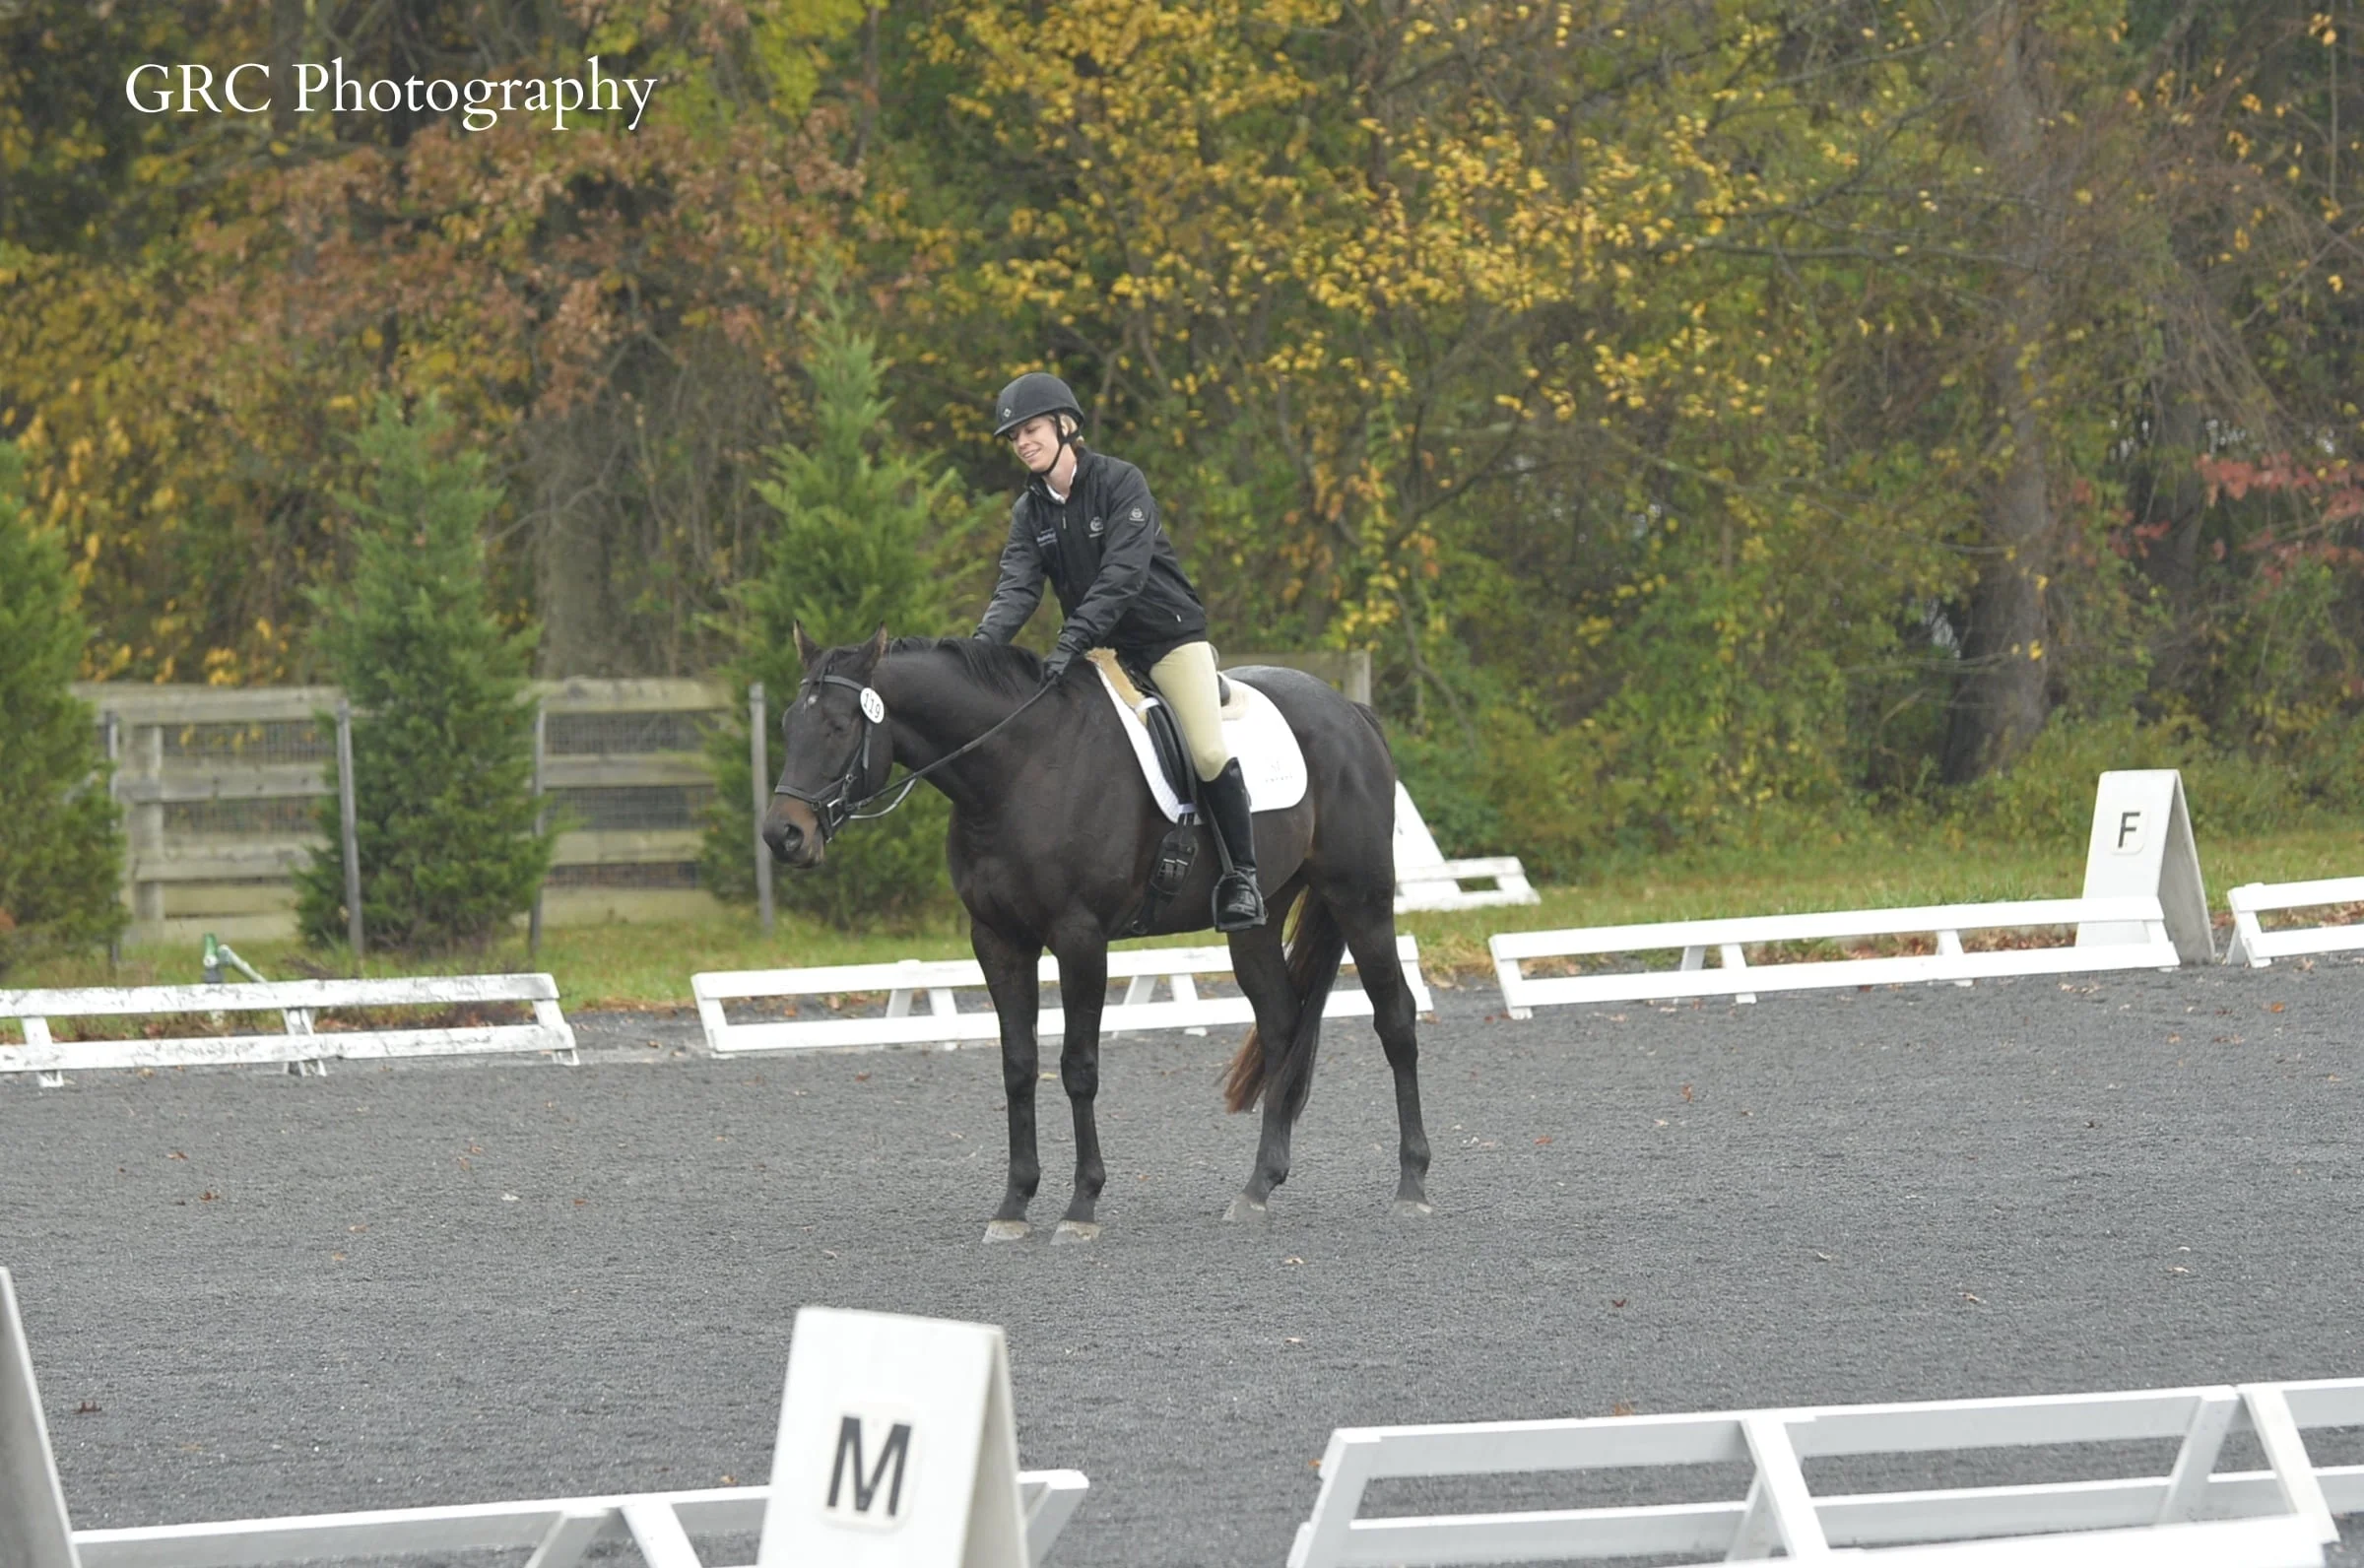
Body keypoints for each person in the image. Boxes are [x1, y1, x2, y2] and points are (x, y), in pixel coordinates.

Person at [973, 371, 1265, 932]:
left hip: (1166, 640)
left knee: (1205, 752)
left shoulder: (1121, 482)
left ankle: (1242, 878)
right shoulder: (1029, 513)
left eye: (1030, 429)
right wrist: (979, 654)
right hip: (1103, 652)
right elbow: (1016, 588)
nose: (1022, 443)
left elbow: (1122, 577)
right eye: (1013, 437)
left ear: (1064, 425)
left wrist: (1069, 641)